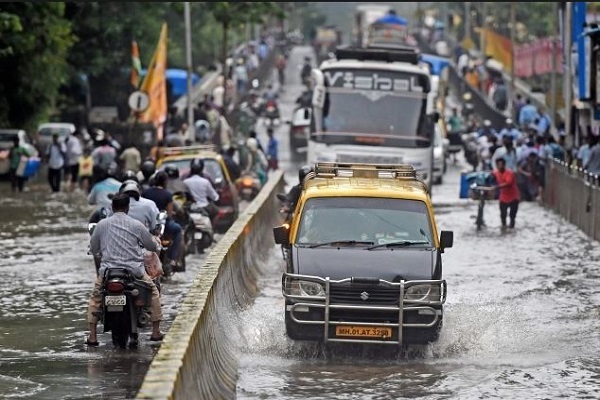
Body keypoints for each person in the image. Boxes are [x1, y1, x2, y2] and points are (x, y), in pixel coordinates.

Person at [85, 193, 163, 346]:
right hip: (134, 271)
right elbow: (151, 246)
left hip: (108, 272)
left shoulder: (101, 224)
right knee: (153, 292)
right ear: (127, 208)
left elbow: (93, 248)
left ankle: (92, 336)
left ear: (112, 207)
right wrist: (156, 244)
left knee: (96, 298)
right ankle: (155, 332)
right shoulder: (137, 225)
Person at [143, 171, 183, 270]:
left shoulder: (146, 192)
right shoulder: (168, 195)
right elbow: (169, 214)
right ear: (165, 182)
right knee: (178, 230)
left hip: (148, 223)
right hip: (162, 224)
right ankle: (173, 258)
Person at [492, 157, 520, 230]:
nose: (500, 166)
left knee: (512, 216)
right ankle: (504, 228)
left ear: (504, 165)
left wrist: (497, 187)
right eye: (498, 165)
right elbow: (490, 177)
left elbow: (508, 183)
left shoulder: (509, 173)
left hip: (513, 197)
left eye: (501, 164)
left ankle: (511, 228)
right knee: (503, 215)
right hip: (503, 197)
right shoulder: (496, 173)